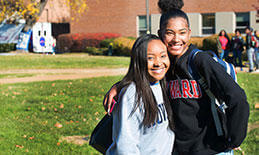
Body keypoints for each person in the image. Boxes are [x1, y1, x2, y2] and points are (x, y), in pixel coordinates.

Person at [103, 0, 249, 154]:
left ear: (189, 33)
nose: (176, 39)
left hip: (211, 149)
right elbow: (142, 73)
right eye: (170, 33)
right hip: (178, 150)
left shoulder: (199, 60)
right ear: (160, 34)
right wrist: (119, 86)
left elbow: (237, 97)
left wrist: (234, 138)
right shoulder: (164, 63)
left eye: (182, 32)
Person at [106, 34, 175, 155]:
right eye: (150, 58)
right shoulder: (132, 93)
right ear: (139, 61)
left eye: (163, 56)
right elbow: (125, 145)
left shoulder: (162, 84)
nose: (158, 63)